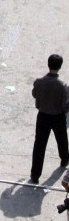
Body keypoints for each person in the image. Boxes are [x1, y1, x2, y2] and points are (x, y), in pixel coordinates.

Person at [29, 54, 69, 183]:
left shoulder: (39, 82)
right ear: (60, 67)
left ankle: (35, 175)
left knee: (39, 146)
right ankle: (64, 159)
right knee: (62, 140)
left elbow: (35, 94)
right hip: (58, 117)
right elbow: (65, 105)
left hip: (42, 116)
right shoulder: (63, 86)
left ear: (48, 64)